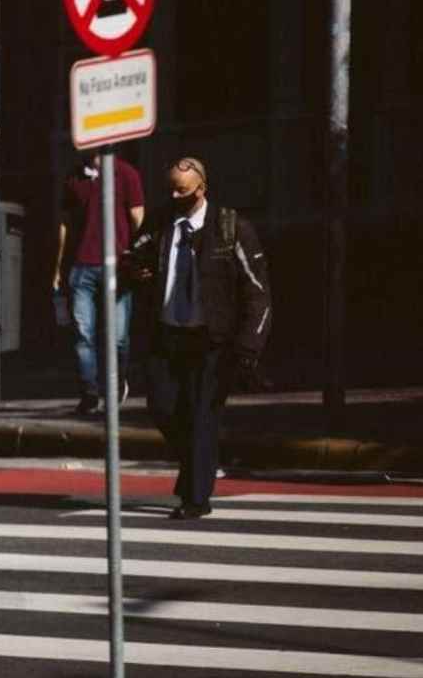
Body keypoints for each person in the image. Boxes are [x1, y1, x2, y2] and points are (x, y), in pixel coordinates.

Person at [128, 157, 271, 519]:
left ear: (202, 188)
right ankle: (197, 466)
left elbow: (258, 292)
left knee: (202, 417)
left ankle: (196, 499)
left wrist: (249, 344)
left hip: (212, 339)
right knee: (161, 407)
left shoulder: (231, 227)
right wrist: (137, 269)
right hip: (167, 334)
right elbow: (132, 255)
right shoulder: (161, 222)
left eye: (184, 190)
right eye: (171, 189)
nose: (176, 196)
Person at [54, 150, 145, 415]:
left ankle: (116, 385)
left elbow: (138, 219)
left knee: (117, 338)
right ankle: (90, 394)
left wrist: (138, 259)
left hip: (119, 267)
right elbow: (65, 225)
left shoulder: (126, 174)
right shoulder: (73, 178)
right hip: (81, 268)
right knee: (83, 335)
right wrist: (58, 267)